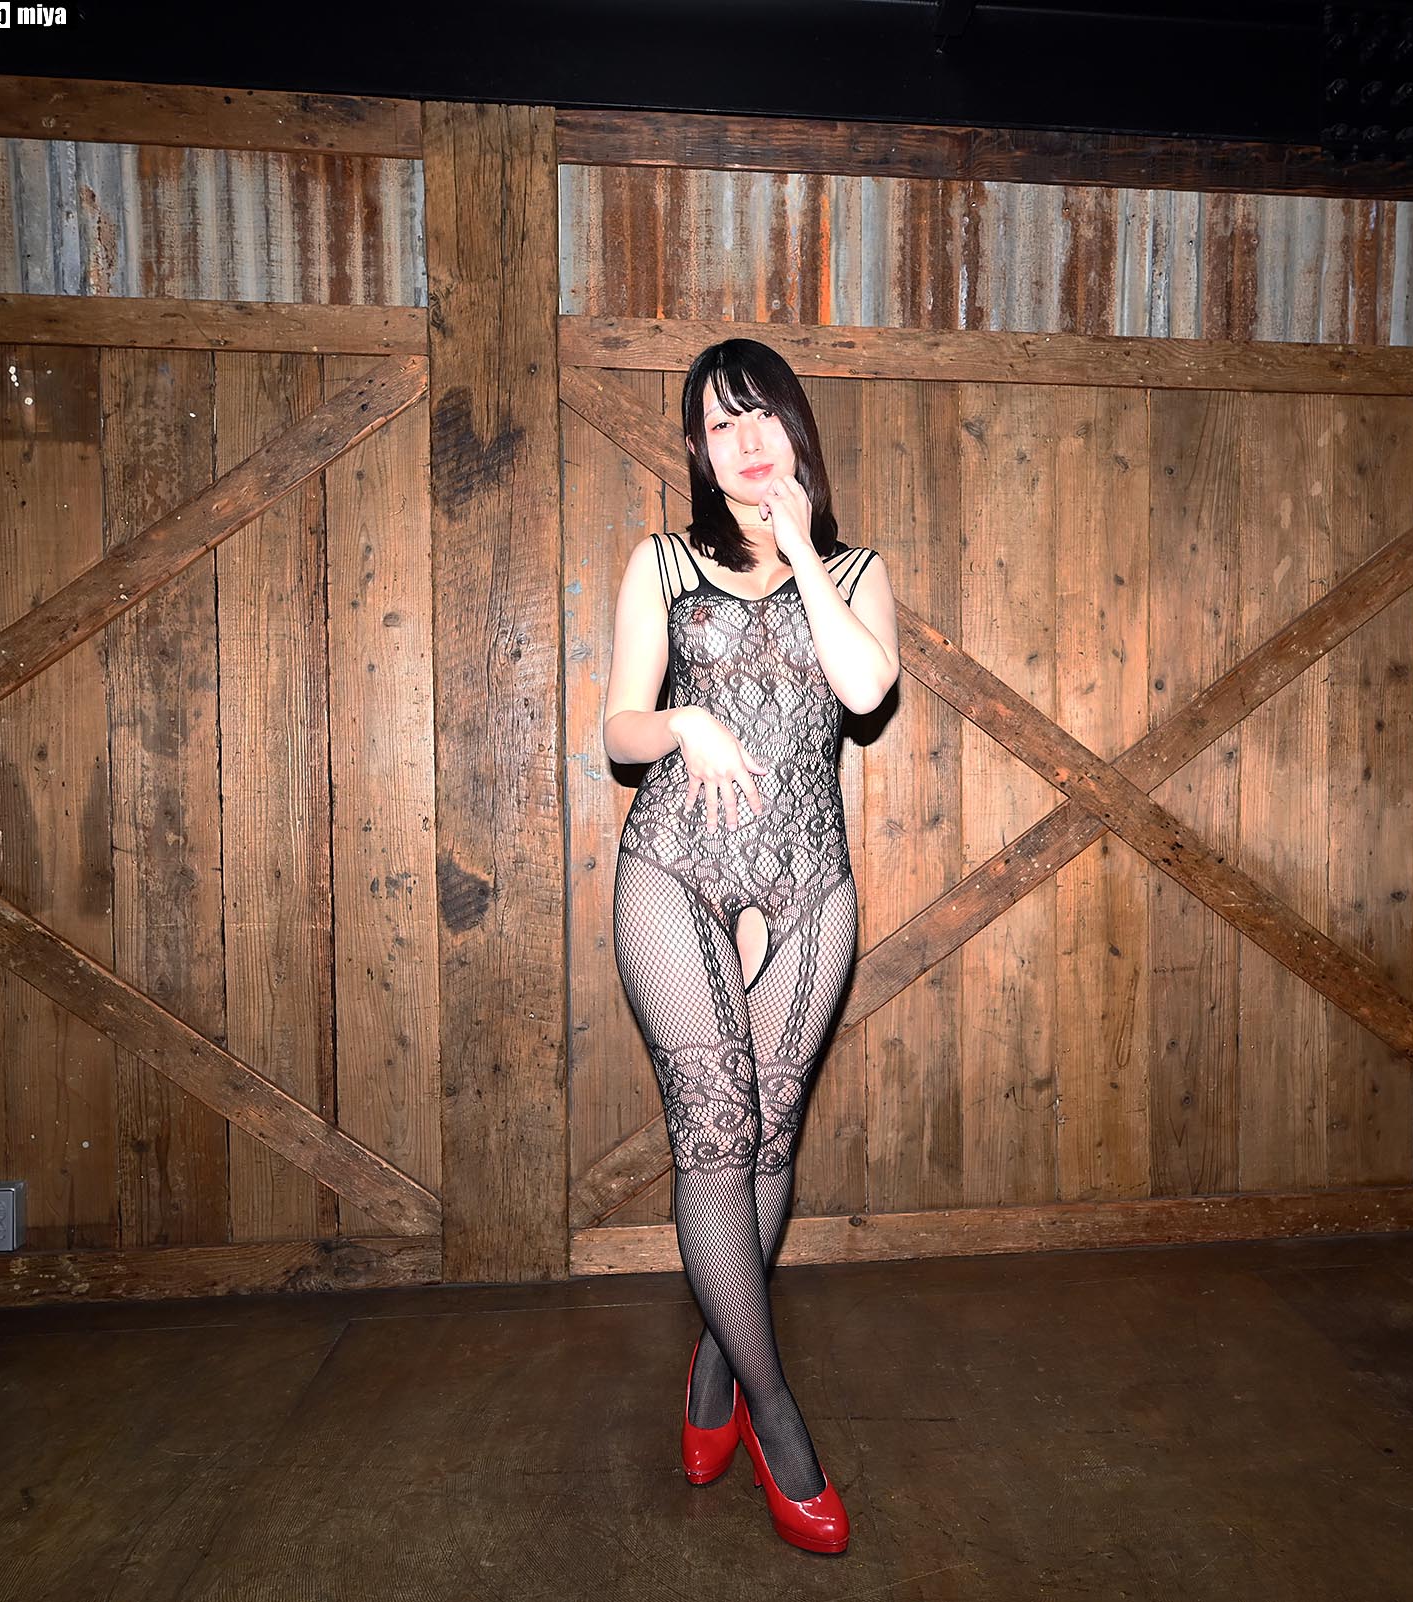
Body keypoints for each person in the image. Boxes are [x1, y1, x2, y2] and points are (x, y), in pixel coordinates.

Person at [601, 338, 899, 1554]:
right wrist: (683, 720)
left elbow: (865, 691)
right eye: (719, 426)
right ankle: (776, 1416)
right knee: (717, 1132)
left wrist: (805, 548)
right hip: (676, 870)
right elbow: (618, 732)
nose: (743, 441)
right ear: (698, 449)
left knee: (771, 1138)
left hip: (809, 883)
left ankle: (718, 1365)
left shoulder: (860, 571)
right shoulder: (663, 562)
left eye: (759, 415)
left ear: (794, 427)